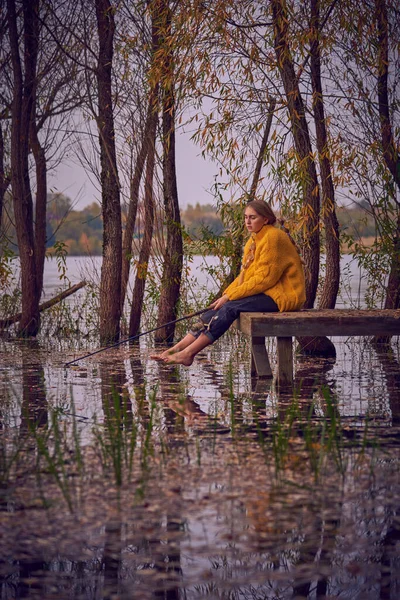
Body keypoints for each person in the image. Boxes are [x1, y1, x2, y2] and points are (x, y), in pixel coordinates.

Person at [151, 199, 306, 366]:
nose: (247, 221)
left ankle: (188, 354)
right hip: (268, 293)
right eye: (246, 217)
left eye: (252, 217)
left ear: (266, 219)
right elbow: (245, 277)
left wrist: (229, 298)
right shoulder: (254, 240)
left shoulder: (273, 237)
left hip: (283, 296)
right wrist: (225, 295)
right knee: (216, 308)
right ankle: (175, 350)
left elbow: (264, 279)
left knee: (230, 307)